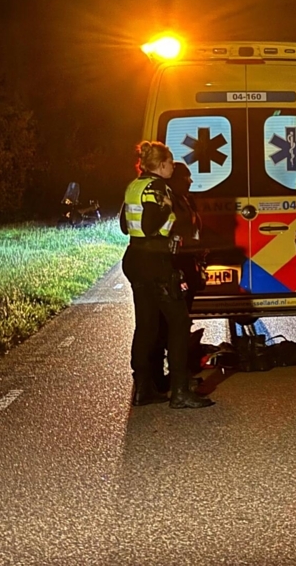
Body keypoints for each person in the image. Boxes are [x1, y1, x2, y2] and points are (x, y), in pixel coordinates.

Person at [120, 141, 214, 409]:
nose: (173, 167)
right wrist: (168, 211)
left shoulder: (134, 186)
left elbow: (125, 226)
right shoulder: (159, 187)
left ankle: (143, 388)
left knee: (147, 326)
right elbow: (151, 225)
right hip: (157, 261)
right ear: (161, 165)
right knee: (179, 323)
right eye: (171, 163)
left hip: (136, 258)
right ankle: (180, 391)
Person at [151, 162, 206, 393]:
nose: (190, 181)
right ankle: (171, 378)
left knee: (182, 322)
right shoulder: (168, 200)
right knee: (172, 325)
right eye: (186, 177)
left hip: (188, 264)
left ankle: (177, 375)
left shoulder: (185, 199)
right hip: (175, 267)